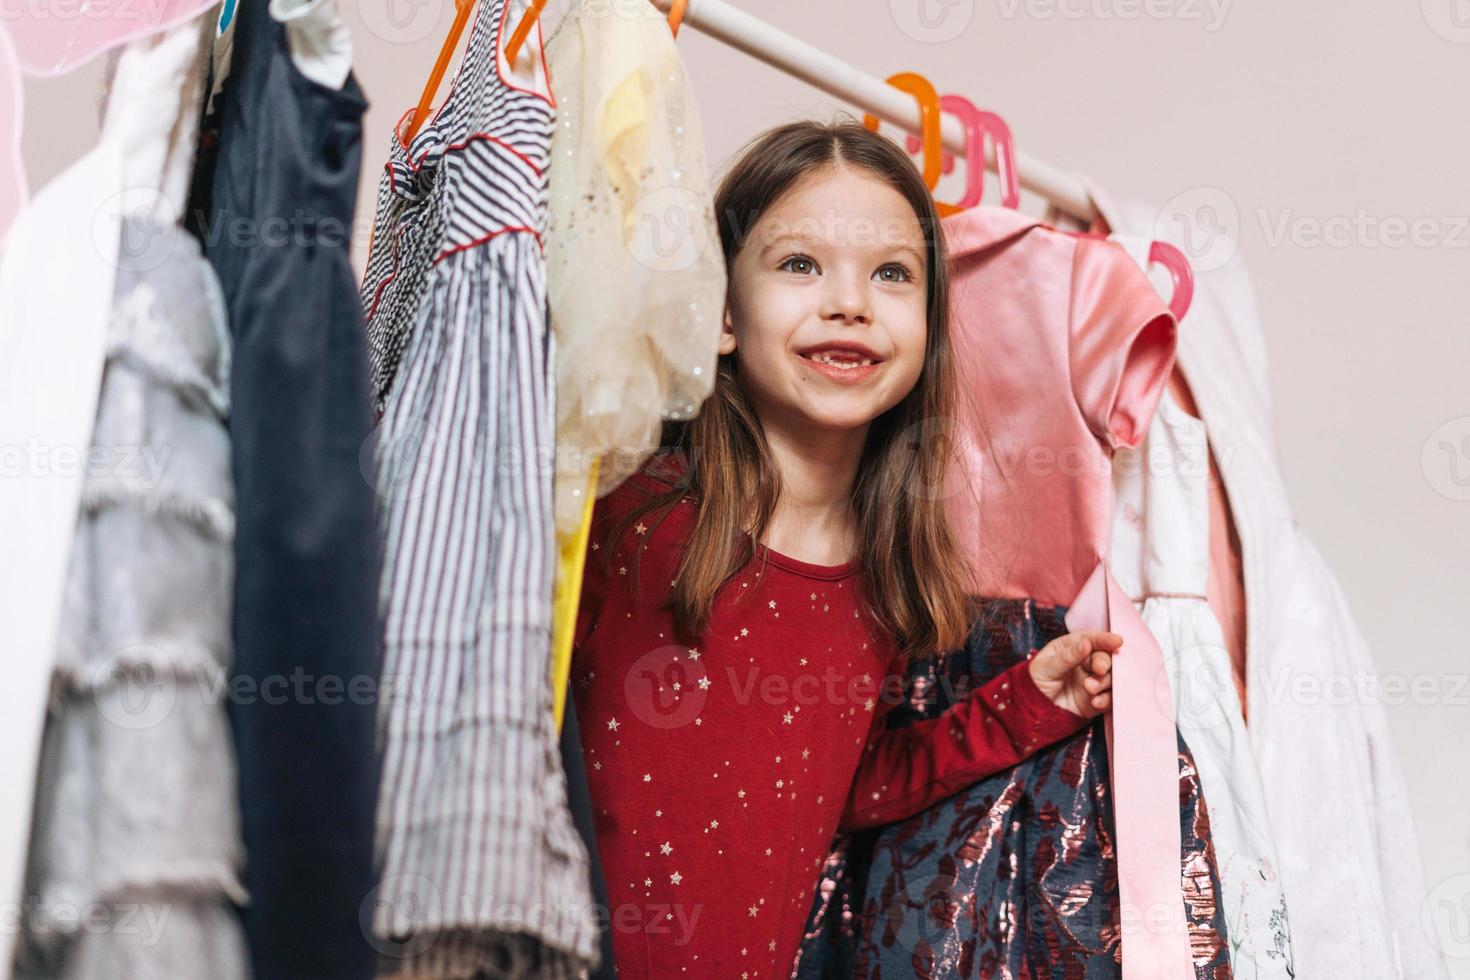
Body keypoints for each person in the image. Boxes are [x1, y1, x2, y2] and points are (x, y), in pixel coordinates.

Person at [569, 119, 1122, 979]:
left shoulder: (886, 578)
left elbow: (835, 792)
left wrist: (1023, 705)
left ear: (930, 329)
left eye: (891, 275)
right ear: (720, 310)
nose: (850, 303)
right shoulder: (626, 516)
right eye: (799, 265)